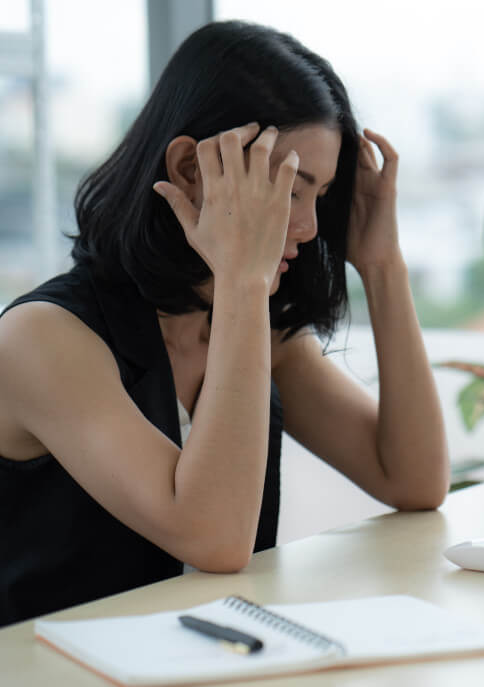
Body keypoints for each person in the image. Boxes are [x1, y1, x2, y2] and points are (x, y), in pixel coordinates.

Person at [0, 21, 449, 627]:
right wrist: (242, 281)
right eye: (291, 187)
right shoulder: (42, 341)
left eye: (322, 195)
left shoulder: (256, 334)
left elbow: (413, 479)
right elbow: (213, 537)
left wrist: (382, 263)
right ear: (190, 168)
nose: (311, 227)